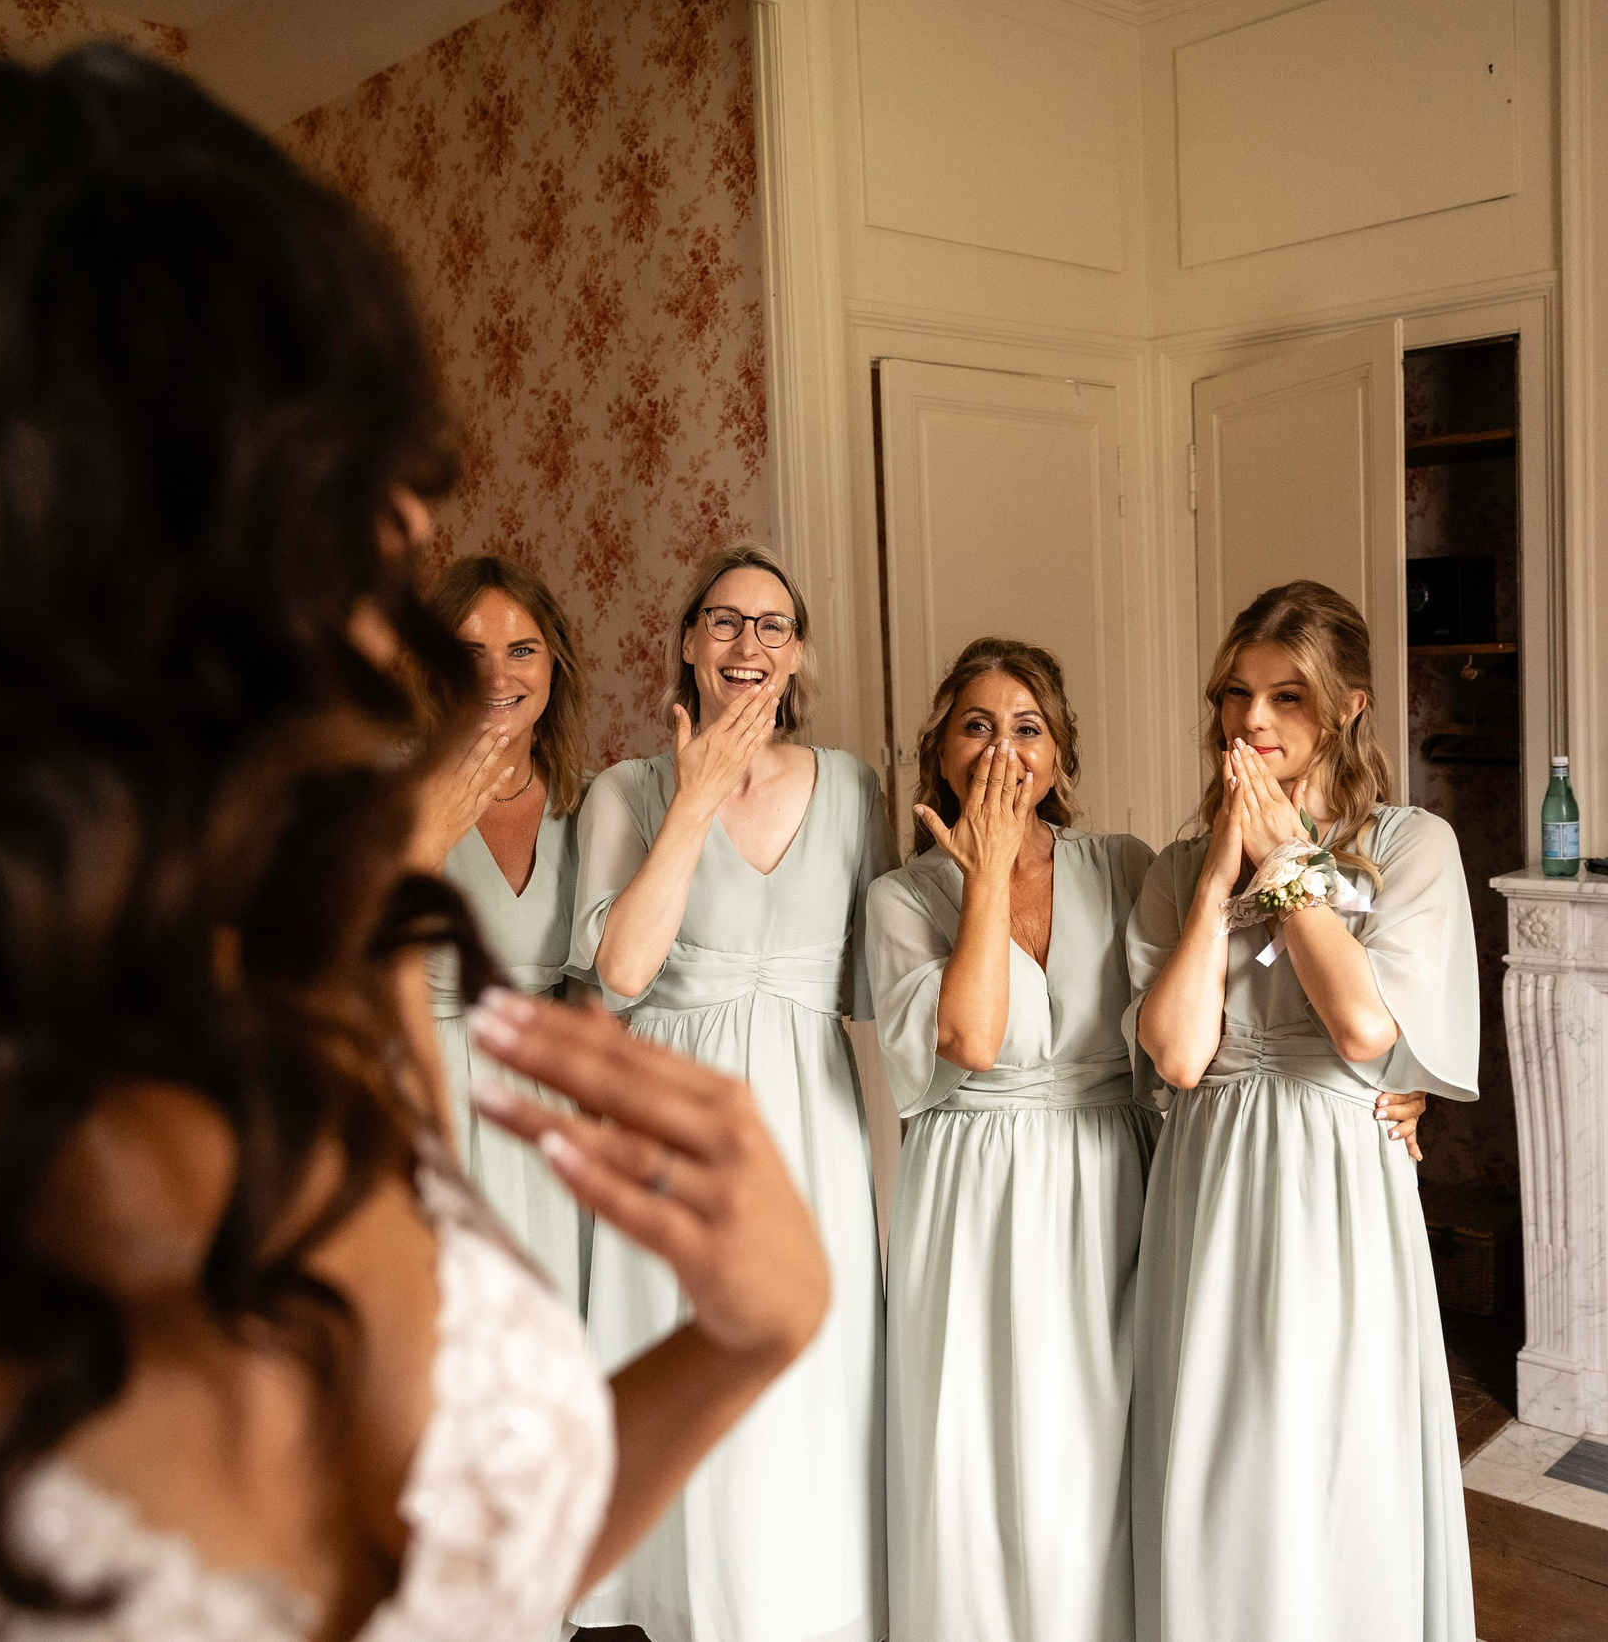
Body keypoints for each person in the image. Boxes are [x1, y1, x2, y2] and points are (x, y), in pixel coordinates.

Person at [0, 42, 829, 1642]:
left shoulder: (337, 978)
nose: (411, 554)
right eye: (312, 482)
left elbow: (428, 1570)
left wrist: (739, 1342)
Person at [1126, 582, 1461, 1642]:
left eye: (1287, 698)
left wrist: (1280, 864)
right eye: (1235, 695)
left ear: (1348, 707)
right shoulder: (1176, 867)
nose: (1252, 723)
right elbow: (1179, 1053)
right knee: (1218, 1448)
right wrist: (1223, 858)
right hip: (1211, 1179)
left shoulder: (1414, 846)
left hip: (1338, 1179)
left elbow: (1365, 1031)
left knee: (1331, 1448)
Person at [571, 544, 892, 1642]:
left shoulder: (853, 789)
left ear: (797, 652)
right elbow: (618, 973)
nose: (744, 645)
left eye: (769, 626)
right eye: (721, 622)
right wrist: (695, 801)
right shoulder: (625, 791)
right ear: (687, 642)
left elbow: (881, 981)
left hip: (807, 1124)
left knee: (805, 1379)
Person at [864, 639, 1156, 1642]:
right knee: (978, 1439)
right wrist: (985, 874)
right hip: (972, 1187)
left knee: (1096, 1436)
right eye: (976, 726)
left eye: (1027, 727)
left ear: (1060, 755)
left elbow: (1227, 989)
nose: (1002, 748)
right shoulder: (900, 901)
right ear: (940, 754)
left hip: (1106, 1176)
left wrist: (1386, 1082)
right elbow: (969, 1038)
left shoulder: (1120, 866)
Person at [406, 554, 593, 1306]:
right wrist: (433, 831)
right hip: (430, 1087)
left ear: (554, 665)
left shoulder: (586, 803)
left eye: (521, 649)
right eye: (469, 654)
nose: (498, 675)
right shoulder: (389, 784)